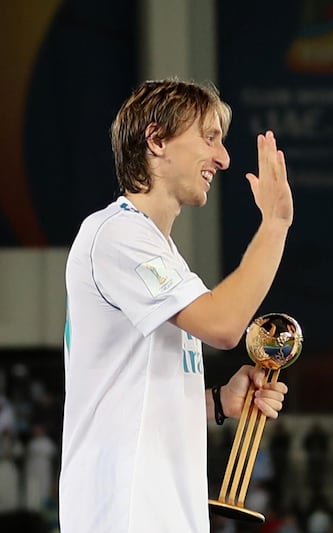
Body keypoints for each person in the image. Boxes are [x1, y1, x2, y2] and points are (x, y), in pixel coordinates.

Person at [59, 79, 293, 532]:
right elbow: (225, 326)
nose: (223, 159)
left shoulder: (159, 252)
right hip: (122, 512)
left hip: (163, 511)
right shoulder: (116, 234)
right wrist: (276, 225)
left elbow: (140, 392)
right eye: (209, 138)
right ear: (156, 139)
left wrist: (220, 402)